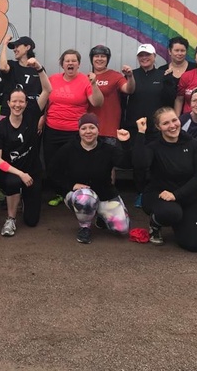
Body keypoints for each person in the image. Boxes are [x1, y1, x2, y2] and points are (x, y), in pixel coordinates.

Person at [49, 114, 132, 244]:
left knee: (122, 228)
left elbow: (127, 164)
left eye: (92, 127)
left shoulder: (108, 149)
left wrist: (125, 143)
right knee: (86, 198)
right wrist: (71, 185)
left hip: (104, 193)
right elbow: (53, 172)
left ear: (98, 130)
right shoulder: (68, 149)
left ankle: (100, 217)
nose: (88, 131)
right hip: (79, 195)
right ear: (79, 131)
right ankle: (85, 227)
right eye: (84, 128)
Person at [132, 108, 197, 252]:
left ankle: (180, 223)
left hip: (185, 196)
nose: (172, 125)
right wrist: (141, 133)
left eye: (174, 120)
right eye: (166, 123)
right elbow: (139, 164)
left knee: (195, 244)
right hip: (159, 195)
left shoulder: (193, 143)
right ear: (158, 127)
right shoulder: (154, 146)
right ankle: (155, 224)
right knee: (172, 213)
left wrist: (176, 195)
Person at [0, 58, 51, 236]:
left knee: (32, 221)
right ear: (8, 103)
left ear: (26, 103)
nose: (17, 105)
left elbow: (47, 90)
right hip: (11, 173)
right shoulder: (0, 127)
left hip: (32, 171)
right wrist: (20, 174)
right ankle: (10, 219)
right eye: (14, 101)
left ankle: (26, 199)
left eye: (21, 102)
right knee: (13, 182)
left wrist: (39, 68)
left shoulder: (32, 114)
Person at [44, 49, 104, 206]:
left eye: (74, 60)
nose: (70, 63)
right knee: (52, 164)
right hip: (52, 129)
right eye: (67, 60)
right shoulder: (53, 79)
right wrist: (41, 118)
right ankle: (60, 193)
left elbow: (97, 102)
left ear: (79, 64)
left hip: (74, 132)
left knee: (74, 165)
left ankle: (76, 195)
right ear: (62, 64)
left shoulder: (85, 81)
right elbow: (46, 101)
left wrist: (94, 84)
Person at [122, 44, 176, 141]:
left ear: (154, 56)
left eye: (147, 54)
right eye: (141, 55)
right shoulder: (130, 75)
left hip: (156, 129)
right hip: (134, 128)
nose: (144, 58)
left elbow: (170, 100)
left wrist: (169, 81)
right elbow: (122, 101)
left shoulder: (163, 75)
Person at [89, 45, 134, 145]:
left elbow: (128, 89)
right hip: (90, 131)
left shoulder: (115, 76)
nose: (99, 59)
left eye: (103, 56)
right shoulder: (86, 78)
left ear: (107, 59)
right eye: (96, 56)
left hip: (109, 131)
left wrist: (130, 76)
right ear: (92, 59)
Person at [0, 35, 43, 122]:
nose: (14, 49)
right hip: (8, 112)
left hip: (30, 114)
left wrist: (42, 116)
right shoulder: (12, 65)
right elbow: (3, 67)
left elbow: (43, 93)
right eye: (14, 47)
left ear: (27, 47)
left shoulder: (37, 69)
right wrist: (4, 44)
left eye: (17, 46)